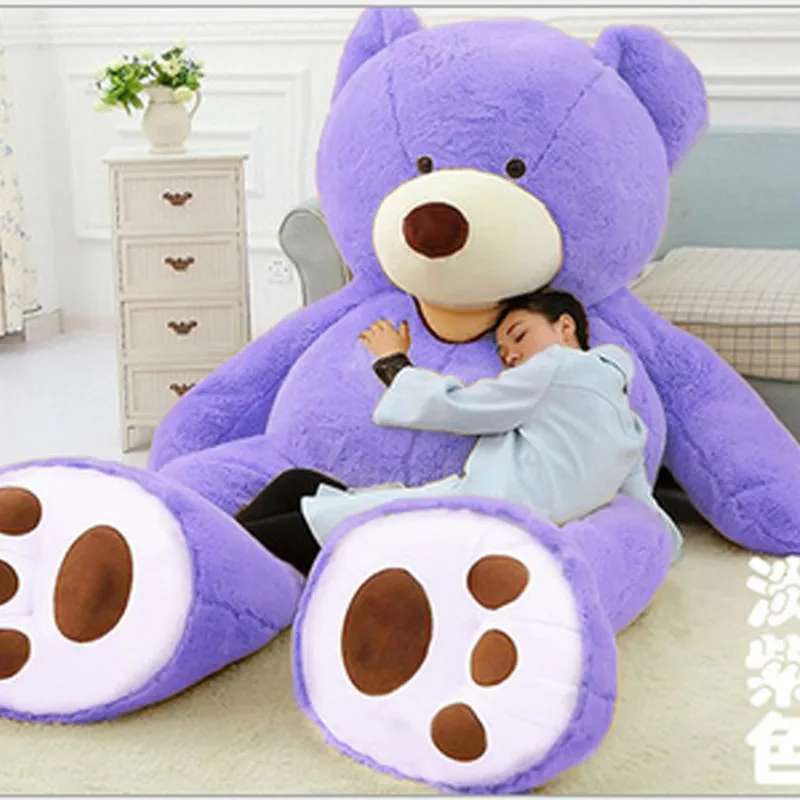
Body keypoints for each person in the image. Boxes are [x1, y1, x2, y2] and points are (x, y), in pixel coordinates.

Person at [235, 288, 683, 576]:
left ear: (565, 326)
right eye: (502, 351)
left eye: (518, 336)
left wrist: (392, 361)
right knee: (299, 487)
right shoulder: (629, 423)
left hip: (475, 516)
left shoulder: (557, 365)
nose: (510, 356)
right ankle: (221, 542)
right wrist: (668, 547)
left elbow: (465, 406)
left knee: (284, 531)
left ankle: (214, 552)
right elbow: (643, 506)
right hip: (487, 515)